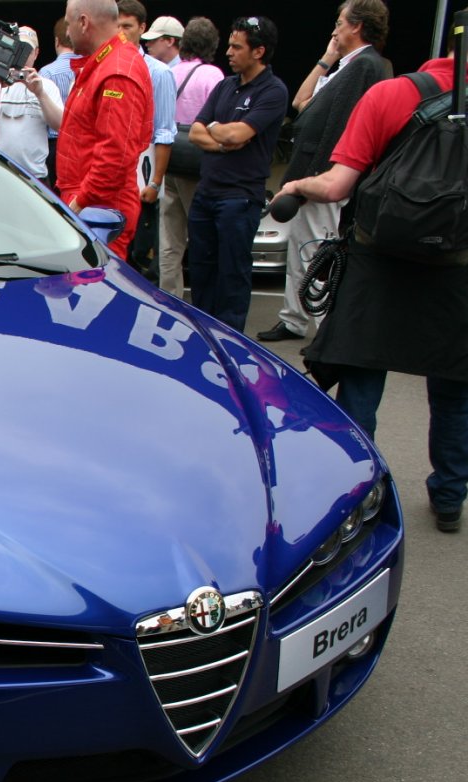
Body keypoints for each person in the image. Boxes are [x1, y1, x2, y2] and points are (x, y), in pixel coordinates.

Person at [277, 13, 468, 533]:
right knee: (454, 389)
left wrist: (295, 188)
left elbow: (338, 186)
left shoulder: (391, 95)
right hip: (457, 273)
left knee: (362, 380)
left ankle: (358, 493)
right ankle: (449, 496)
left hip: (377, 262)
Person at [257, 0, 389, 343]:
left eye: (340, 22)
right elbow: (302, 104)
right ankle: (295, 319)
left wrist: (320, 179)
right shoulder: (349, 66)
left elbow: (341, 127)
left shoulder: (365, 67)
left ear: (357, 26)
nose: (334, 29)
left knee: (317, 251)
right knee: (303, 247)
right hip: (317, 172)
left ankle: (322, 330)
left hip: (326, 175)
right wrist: (327, 58)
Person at [187, 16, 288, 332]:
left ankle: (230, 341)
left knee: (232, 273)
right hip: (207, 193)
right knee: (201, 271)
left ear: (258, 52)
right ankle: (203, 336)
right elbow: (194, 133)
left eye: (236, 46)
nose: (228, 52)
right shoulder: (224, 86)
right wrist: (220, 139)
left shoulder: (273, 91)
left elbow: (238, 135)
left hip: (239, 198)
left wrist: (216, 130)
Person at [55, 0, 152, 259]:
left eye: (68, 24)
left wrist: (77, 205)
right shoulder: (107, 64)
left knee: (93, 291)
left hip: (100, 213)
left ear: (84, 23)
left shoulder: (116, 72)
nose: (67, 33)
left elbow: (115, 156)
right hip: (92, 207)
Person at [158, 17, 225, 297]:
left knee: (169, 239)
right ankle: (202, 299)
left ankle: (171, 297)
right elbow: (220, 123)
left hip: (169, 161)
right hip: (198, 165)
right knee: (201, 236)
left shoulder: (168, 73)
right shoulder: (213, 76)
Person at [116, 0, 177, 280]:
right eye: (116, 26)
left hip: (141, 175)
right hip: (110, 174)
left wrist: (154, 183)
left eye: (127, 26)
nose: (121, 33)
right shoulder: (104, 65)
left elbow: (165, 132)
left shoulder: (159, 73)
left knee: (140, 256)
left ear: (142, 28)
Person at [0, 27, 63, 184]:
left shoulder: (47, 86)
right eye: (20, 48)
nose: (23, 54)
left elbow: (61, 125)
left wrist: (40, 94)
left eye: (28, 49)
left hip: (33, 177)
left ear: (36, 53)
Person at [37, 17, 79, 190]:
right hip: (78, 143)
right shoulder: (88, 68)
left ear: (56, 41)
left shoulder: (46, 72)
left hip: (54, 144)